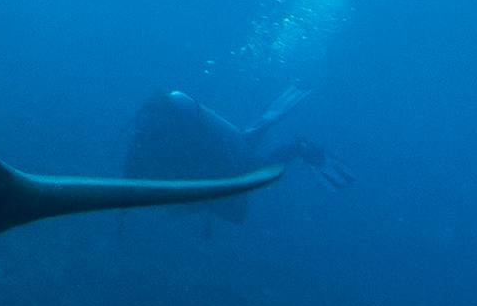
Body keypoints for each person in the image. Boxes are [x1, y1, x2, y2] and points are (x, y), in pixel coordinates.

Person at [122, 85, 351, 222]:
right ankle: (277, 136)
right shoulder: (166, 138)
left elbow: (204, 162)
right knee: (248, 143)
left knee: (251, 164)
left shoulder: (160, 140)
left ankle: (298, 147)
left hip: (227, 156)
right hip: (223, 150)